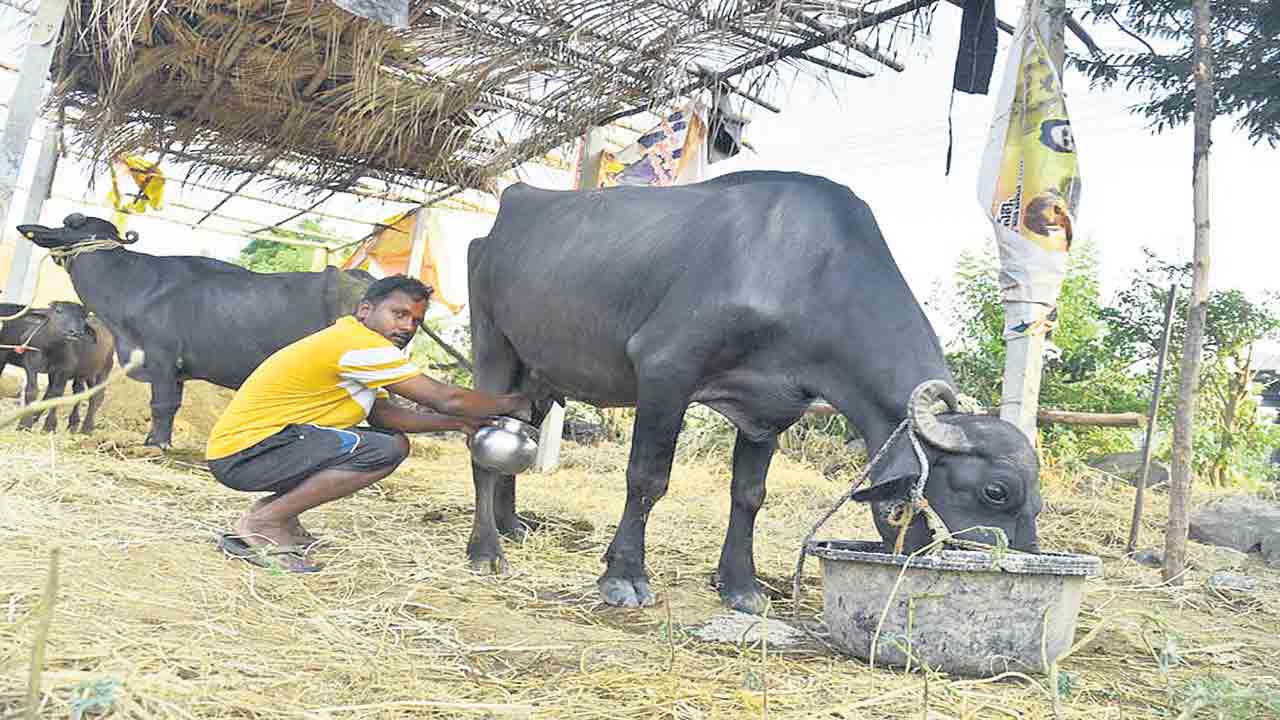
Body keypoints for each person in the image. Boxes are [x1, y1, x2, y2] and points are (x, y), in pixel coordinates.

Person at [204, 274, 529, 572]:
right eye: (398, 314)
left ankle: (278, 517)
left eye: (416, 320)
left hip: (255, 449)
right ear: (365, 310)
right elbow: (447, 398)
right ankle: (266, 522)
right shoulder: (360, 344)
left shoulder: (355, 342)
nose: (407, 326)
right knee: (383, 449)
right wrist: (512, 402)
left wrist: (456, 423)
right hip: (248, 452)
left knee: (385, 442)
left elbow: (385, 415)